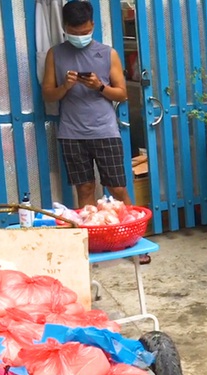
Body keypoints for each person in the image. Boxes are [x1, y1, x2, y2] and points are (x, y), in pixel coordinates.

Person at [41, 1, 151, 264]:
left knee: (118, 186)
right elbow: (48, 94)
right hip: (71, 133)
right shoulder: (55, 54)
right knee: (85, 189)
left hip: (105, 130)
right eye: (74, 31)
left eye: (83, 30)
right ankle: (92, 243)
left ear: (92, 25)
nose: (80, 35)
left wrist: (99, 87)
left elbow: (122, 94)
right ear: (65, 28)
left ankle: (133, 240)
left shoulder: (108, 53)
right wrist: (65, 86)